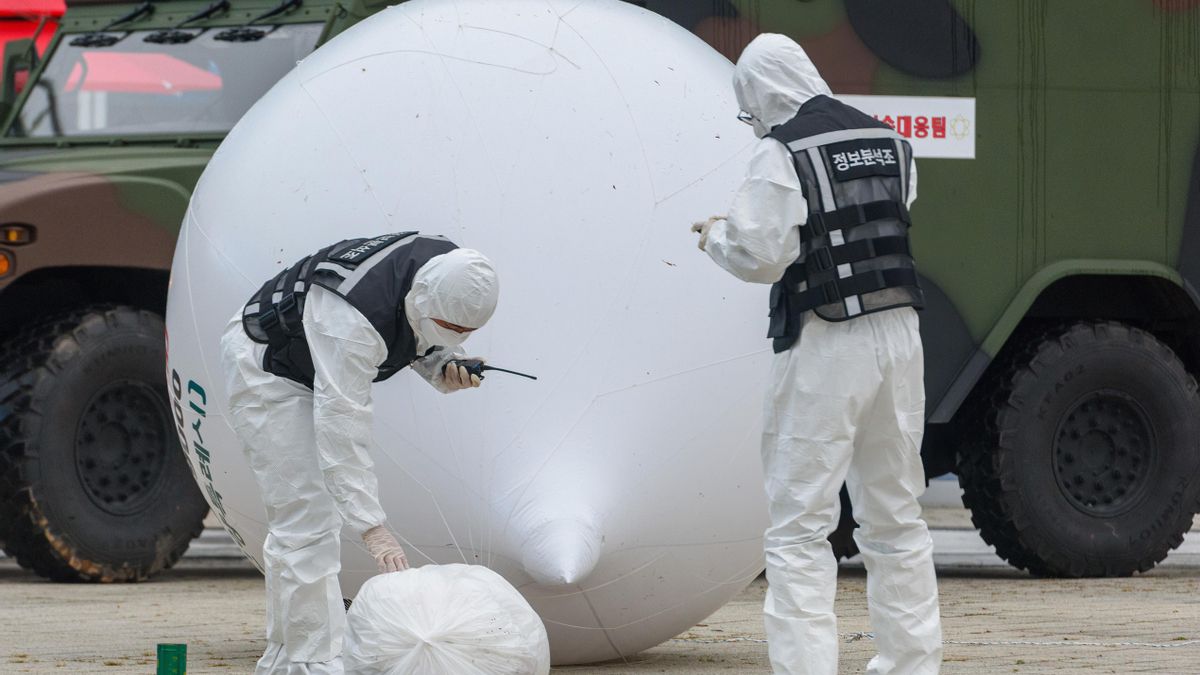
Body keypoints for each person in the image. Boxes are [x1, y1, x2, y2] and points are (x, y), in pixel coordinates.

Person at [692, 34, 942, 675]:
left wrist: (716, 236)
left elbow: (762, 254)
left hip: (826, 342)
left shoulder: (782, 151)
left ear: (758, 94)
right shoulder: (888, 139)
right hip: (900, 335)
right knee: (896, 514)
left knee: (799, 524)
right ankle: (912, 663)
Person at [219, 232, 499, 675]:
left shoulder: (451, 269)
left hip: (313, 352)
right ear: (424, 299)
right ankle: (313, 661)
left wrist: (444, 363)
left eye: (466, 332)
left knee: (305, 518)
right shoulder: (349, 318)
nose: (456, 335)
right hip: (267, 365)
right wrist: (372, 526)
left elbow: (414, 330)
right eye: (450, 328)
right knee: (305, 513)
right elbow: (342, 424)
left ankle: (285, 659)